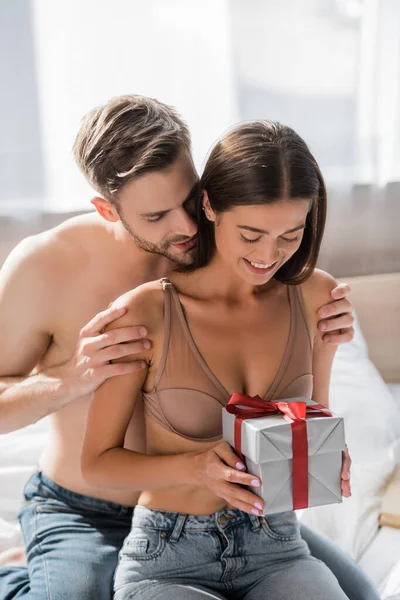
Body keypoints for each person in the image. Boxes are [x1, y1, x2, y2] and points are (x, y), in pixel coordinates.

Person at [0, 96, 376, 600]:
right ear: (107, 209)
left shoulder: (230, 243)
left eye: (190, 198)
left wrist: (330, 328)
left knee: (361, 594)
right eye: (156, 216)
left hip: (216, 512)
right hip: (90, 508)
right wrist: (72, 377)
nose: (185, 227)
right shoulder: (47, 266)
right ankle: (26, 568)